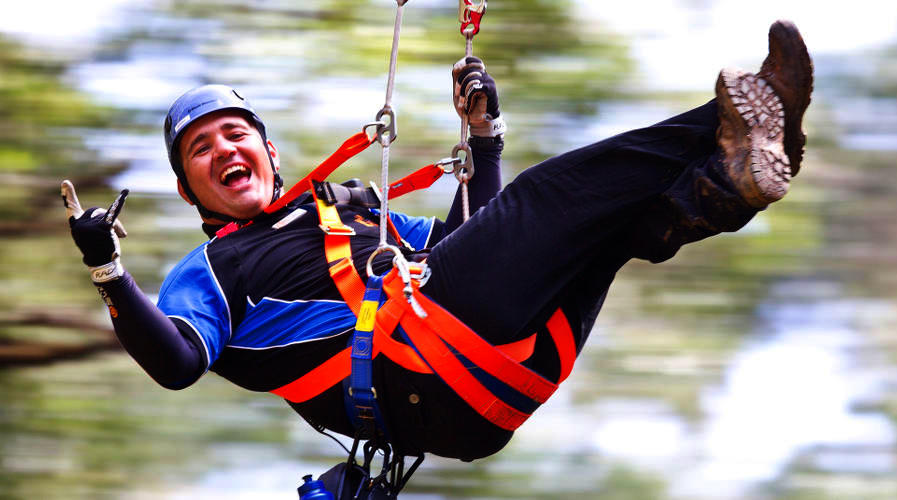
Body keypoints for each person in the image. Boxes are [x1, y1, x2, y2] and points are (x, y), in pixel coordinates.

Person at [65, 19, 812, 469]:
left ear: (268, 152)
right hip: (422, 373)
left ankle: (726, 182)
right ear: (191, 190)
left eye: (236, 134)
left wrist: (482, 138)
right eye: (200, 149)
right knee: (553, 196)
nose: (224, 150)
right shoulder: (211, 272)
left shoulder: (346, 218)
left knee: (600, 226)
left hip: (498, 369)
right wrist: (109, 271)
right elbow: (176, 365)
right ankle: (743, 116)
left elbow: (476, 242)